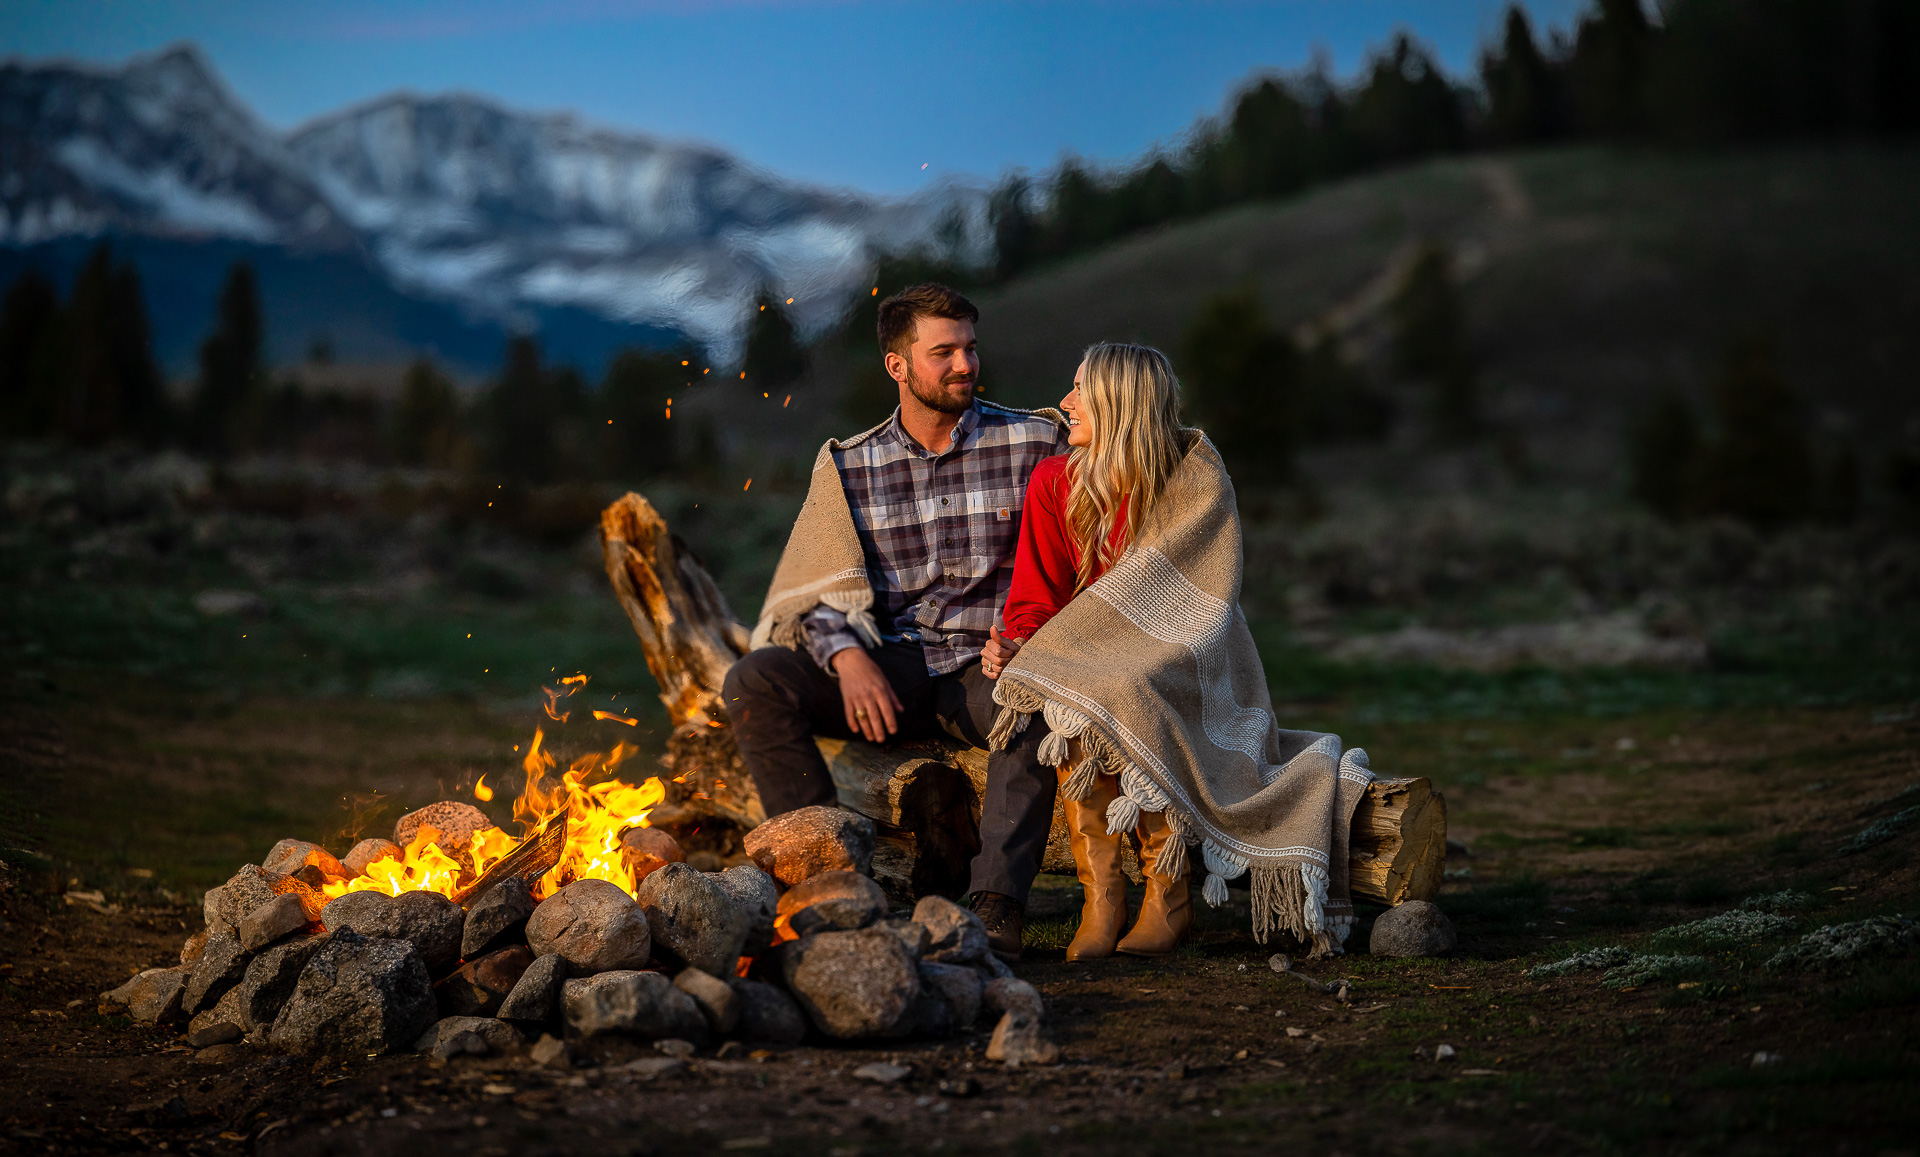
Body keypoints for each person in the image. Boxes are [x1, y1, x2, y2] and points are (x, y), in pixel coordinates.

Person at [982, 343, 1372, 963]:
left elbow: (1206, 590)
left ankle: (1168, 895)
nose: (1065, 403)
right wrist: (1019, 645)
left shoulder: (1192, 478)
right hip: (1090, 658)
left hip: (1188, 653)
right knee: (1077, 697)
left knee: (1125, 684)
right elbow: (1038, 593)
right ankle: (1102, 898)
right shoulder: (1054, 480)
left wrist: (1123, 652)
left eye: (1081, 390)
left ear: (1121, 403)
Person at [726, 282, 1068, 961]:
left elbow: (1088, 543)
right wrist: (847, 658)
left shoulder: (1036, 440)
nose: (966, 365)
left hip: (988, 664)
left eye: (971, 348)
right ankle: (827, 884)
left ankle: (997, 904)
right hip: (894, 665)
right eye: (944, 352)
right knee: (755, 679)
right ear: (898, 365)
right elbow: (818, 589)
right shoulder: (849, 465)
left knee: (1037, 699)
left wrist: (1031, 635)